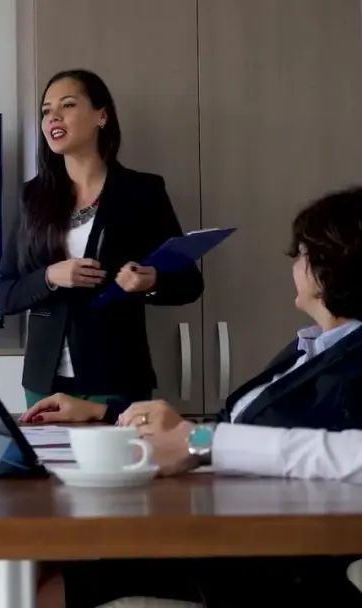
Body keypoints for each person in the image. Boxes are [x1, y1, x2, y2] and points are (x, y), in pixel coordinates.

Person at [39, 186, 362, 607]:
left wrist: (197, 442)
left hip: (265, 560)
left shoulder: (353, 361)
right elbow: (230, 431)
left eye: (301, 254)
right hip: (221, 527)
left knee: (46, 569)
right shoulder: (309, 348)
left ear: (331, 267)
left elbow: (316, 453)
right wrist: (105, 411)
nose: (293, 264)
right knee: (31, 559)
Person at [0, 69, 202, 414]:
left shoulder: (141, 191)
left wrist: (150, 282)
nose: (53, 117)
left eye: (67, 105)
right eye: (46, 111)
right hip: (44, 381)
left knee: (121, 452)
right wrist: (50, 276)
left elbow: (189, 283)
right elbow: (4, 294)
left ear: (101, 116)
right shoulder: (33, 197)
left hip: (116, 378)